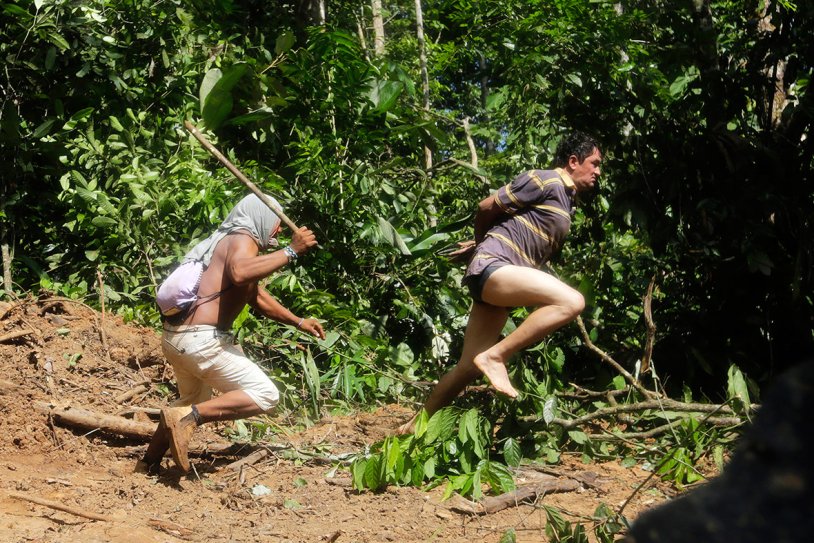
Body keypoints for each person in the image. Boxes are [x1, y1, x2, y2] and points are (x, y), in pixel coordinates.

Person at [398, 132, 601, 434]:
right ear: (573, 161)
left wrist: (480, 245)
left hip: (499, 280)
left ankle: (412, 428)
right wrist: (481, 245)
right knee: (572, 301)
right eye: (595, 164)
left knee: (467, 367)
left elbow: (520, 233)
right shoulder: (546, 181)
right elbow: (485, 207)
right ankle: (496, 356)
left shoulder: (565, 201)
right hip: (494, 269)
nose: (598, 172)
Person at [137, 193, 325, 473]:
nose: (279, 229)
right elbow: (239, 273)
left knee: (187, 402)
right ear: (262, 218)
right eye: (277, 222)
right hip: (199, 341)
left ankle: (147, 463)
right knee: (265, 394)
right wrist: (290, 251)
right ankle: (189, 417)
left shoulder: (226, 241)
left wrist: (298, 322)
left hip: (177, 340)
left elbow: (255, 295)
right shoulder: (242, 238)